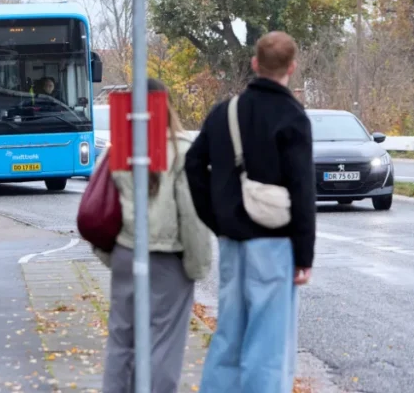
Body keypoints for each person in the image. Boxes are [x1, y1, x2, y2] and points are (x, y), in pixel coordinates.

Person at [185, 32, 315, 393]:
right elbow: (303, 190)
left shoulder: (224, 113)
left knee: (229, 335)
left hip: (232, 243)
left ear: (255, 64)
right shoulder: (293, 117)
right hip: (275, 246)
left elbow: (193, 166)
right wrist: (304, 255)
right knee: (268, 345)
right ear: (292, 67)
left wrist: (218, 220)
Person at [96, 78, 213, 393]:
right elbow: (192, 215)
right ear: (166, 106)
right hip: (167, 262)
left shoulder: (117, 149)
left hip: (125, 253)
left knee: (121, 342)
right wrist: (197, 266)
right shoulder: (181, 151)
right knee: (164, 345)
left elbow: (99, 204)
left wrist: (111, 255)